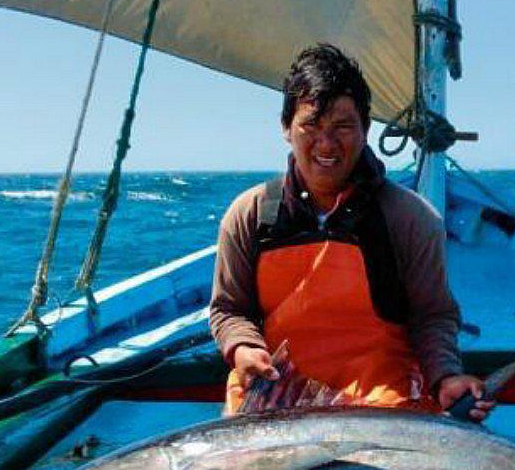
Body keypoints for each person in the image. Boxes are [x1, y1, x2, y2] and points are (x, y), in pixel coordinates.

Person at [209, 43, 494, 420]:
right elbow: (228, 309)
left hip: (380, 409)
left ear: (365, 130)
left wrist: (445, 377)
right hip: (273, 404)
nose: (326, 144)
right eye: (311, 124)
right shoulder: (250, 215)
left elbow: (433, 316)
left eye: (343, 126)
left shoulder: (410, 218)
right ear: (286, 128)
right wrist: (242, 348)